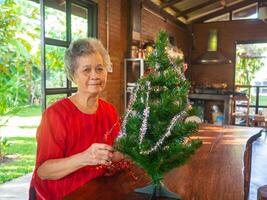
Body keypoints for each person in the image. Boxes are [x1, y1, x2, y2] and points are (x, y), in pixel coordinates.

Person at [29, 38, 122, 199]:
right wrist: (85, 158)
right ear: (73, 75)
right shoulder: (55, 115)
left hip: (99, 191)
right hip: (63, 194)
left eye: (100, 68)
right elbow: (44, 171)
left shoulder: (109, 111)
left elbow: (116, 153)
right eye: (86, 70)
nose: (95, 75)